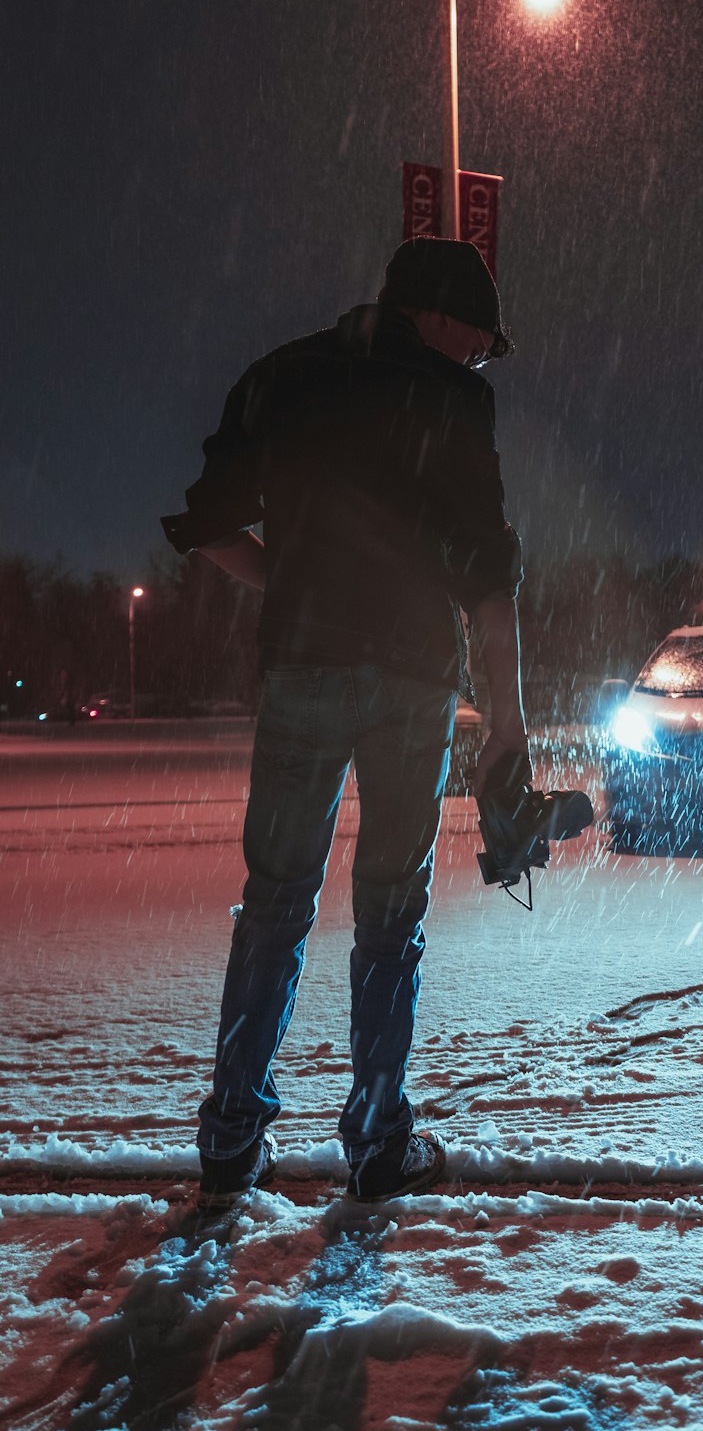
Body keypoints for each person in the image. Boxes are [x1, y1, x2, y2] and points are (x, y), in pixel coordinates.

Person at [161, 237, 529, 1208]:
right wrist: (510, 717)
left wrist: (294, 579)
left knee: (275, 901)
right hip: (412, 678)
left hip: (304, 670)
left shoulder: (283, 376)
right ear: (440, 318)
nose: (481, 361)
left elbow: (206, 525)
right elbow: (488, 571)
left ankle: (231, 1137)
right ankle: (374, 1138)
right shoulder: (455, 402)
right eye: (481, 343)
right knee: (391, 910)